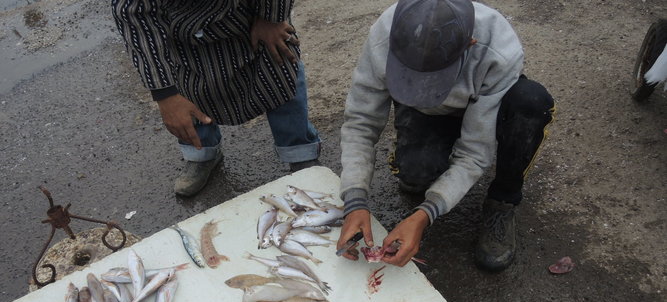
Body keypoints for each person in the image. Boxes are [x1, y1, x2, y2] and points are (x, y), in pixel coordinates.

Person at [336, 0, 555, 271]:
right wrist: (355, 199)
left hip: (483, 107)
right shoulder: (385, 34)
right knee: (415, 173)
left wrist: (425, 215)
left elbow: (474, 153)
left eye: (432, 77)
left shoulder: (499, 49)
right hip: (428, 110)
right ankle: (424, 146)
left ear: (470, 44)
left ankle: (502, 201)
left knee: (531, 103)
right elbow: (360, 122)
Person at [111, 0, 321, 197]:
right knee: (186, 93)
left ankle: (299, 152)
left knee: (280, 72)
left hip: (250, 17)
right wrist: (165, 94)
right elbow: (132, 13)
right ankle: (201, 153)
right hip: (183, 34)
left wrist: (271, 18)